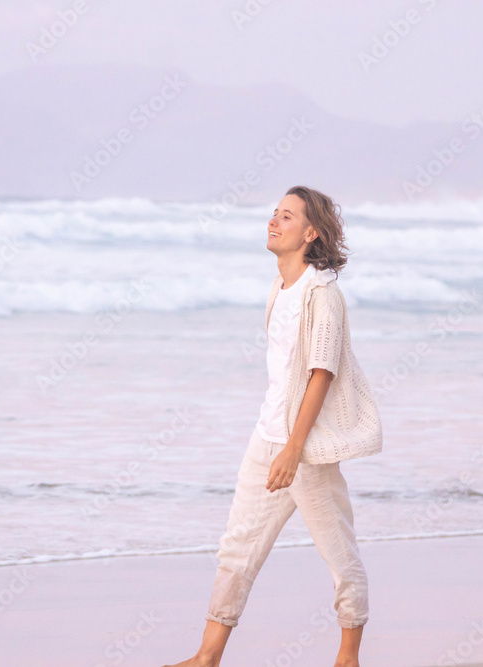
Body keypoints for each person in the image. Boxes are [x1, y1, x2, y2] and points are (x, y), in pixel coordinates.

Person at [164, 185, 383, 667]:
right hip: (267, 437)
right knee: (237, 546)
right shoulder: (282, 287)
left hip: (305, 449)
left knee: (338, 553)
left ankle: (348, 658)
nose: (274, 221)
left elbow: (320, 372)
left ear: (311, 232)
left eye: (287, 216)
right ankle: (207, 656)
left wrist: (294, 448)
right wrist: (276, 442)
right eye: (274, 214)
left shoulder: (322, 295)